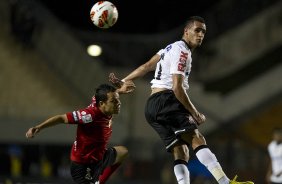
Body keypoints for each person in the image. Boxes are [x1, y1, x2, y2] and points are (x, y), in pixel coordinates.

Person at [109, 16, 254, 184]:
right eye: (197, 30)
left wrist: (123, 81)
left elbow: (147, 66)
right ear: (186, 31)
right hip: (166, 99)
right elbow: (177, 88)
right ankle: (224, 182)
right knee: (196, 138)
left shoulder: (168, 48)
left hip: (151, 108)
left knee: (180, 150)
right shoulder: (182, 51)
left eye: (203, 32)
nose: (200, 35)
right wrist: (195, 112)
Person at [26, 82, 135, 184]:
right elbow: (61, 118)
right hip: (83, 165)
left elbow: (108, 95)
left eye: (118, 100)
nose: (118, 103)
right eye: (114, 101)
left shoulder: (101, 102)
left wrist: (120, 90)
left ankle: (98, 182)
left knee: (123, 152)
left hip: (99, 156)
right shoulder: (89, 116)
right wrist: (39, 127)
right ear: (102, 104)